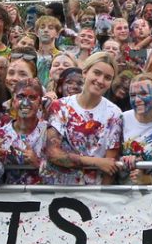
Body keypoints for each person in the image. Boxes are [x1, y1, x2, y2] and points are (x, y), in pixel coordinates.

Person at [42, 53, 122, 185]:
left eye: (107, 78)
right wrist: (95, 161)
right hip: (56, 188)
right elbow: (53, 154)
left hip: (93, 193)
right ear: (85, 73)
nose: (101, 80)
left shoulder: (114, 114)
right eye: (97, 73)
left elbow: (110, 165)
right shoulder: (60, 107)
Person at [118, 73, 152, 184]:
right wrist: (124, 160)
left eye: (143, 93)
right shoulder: (121, 119)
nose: (137, 99)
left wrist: (147, 180)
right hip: (125, 193)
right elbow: (110, 156)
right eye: (133, 95)